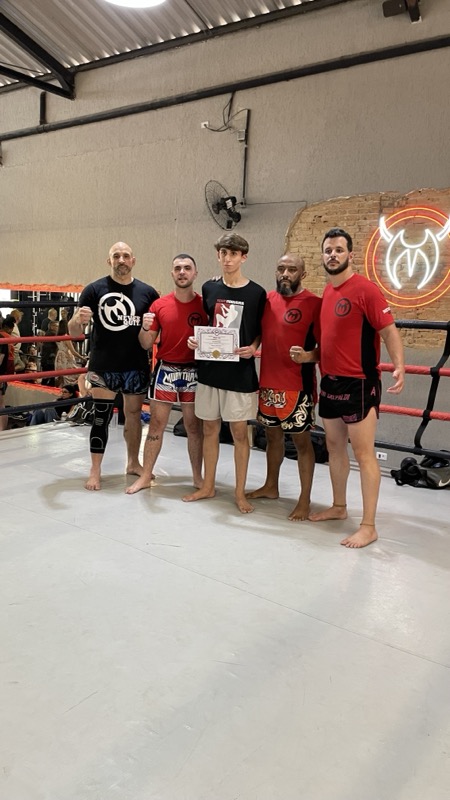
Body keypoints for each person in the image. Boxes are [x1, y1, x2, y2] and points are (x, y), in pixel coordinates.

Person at [306, 227, 405, 548]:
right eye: (328, 250)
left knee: (363, 454)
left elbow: (388, 330)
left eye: (338, 250)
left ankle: (369, 526)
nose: (333, 255)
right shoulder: (328, 292)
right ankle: (339, 506)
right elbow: (328, 341)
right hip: (330, 381)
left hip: (360, 383)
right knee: (335, 447)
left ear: (350, 254)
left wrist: (399, 365)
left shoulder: (365, 290)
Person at [183, 232, 266, 513]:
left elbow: (259, 331)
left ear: (244, 257)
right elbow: (208, 326)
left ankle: (240, 493)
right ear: (218, 256)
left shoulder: (257, 293)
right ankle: (208, 485)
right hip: (210, 371)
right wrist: (196, 342)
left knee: (240, 433)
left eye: (233, 254)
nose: (227, 259)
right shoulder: (209, 288)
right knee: (209, 429)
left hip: (239, 374)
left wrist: (253, 347)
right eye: (223, 253)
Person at [68, 241, 158, 491]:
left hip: (135, 365)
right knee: (101, 416)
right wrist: (78, 320)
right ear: (109, 261)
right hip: (104, 365)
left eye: (126, 256)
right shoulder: (93, 290)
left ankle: (133, 462)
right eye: (116, 256)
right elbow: (74, 332)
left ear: (133, 261)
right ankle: (95, 470)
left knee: (133, 415)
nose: (121, 260)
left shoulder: (148, 293)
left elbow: (153, 334)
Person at [246, 253, 321, 520]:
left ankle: (305, 499)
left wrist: (308, 356)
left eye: (292, 269)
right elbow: (257, 332)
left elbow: (328, 346)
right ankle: (271, 486)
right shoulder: (267, 300)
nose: (285, 274)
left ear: (303, 274)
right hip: (268, 383)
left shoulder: (314, 303)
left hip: (297, 386)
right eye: (281, 268)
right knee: (272, 437)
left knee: (302, 442)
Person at [126, 254, 208, 494]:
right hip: (166, 369)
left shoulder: (205, 305)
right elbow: (145, 343)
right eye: (178, 268)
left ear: (195, 273)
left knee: (194, 427)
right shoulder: (159, 305)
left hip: (194, 370)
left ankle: (198, 477)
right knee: (156, 425)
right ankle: (145, 476)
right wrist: (143, 327)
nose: (182, 272)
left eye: (187, 268)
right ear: (172, 273)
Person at [55, 318, 87, 386]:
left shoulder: (57, 337)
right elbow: (73, 351)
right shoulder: (66, 337)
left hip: (59, 357)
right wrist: (82, 358)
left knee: (61, 376)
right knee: (73, 374)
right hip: (66, 357)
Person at [0, 315, 16, 432]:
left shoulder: (2, 338)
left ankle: (2, 430)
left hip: (1, 374)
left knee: (1, 403)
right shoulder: (5, 337)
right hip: (4, 372)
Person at [10, 308, 26, 372]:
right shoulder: (13, 326)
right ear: (17, 317)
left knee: (21, 365)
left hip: (16, 351)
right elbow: (13, 339)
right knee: (19, 365)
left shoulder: (14, 325)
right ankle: (9, 372)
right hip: (13, 352)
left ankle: (9, 371)